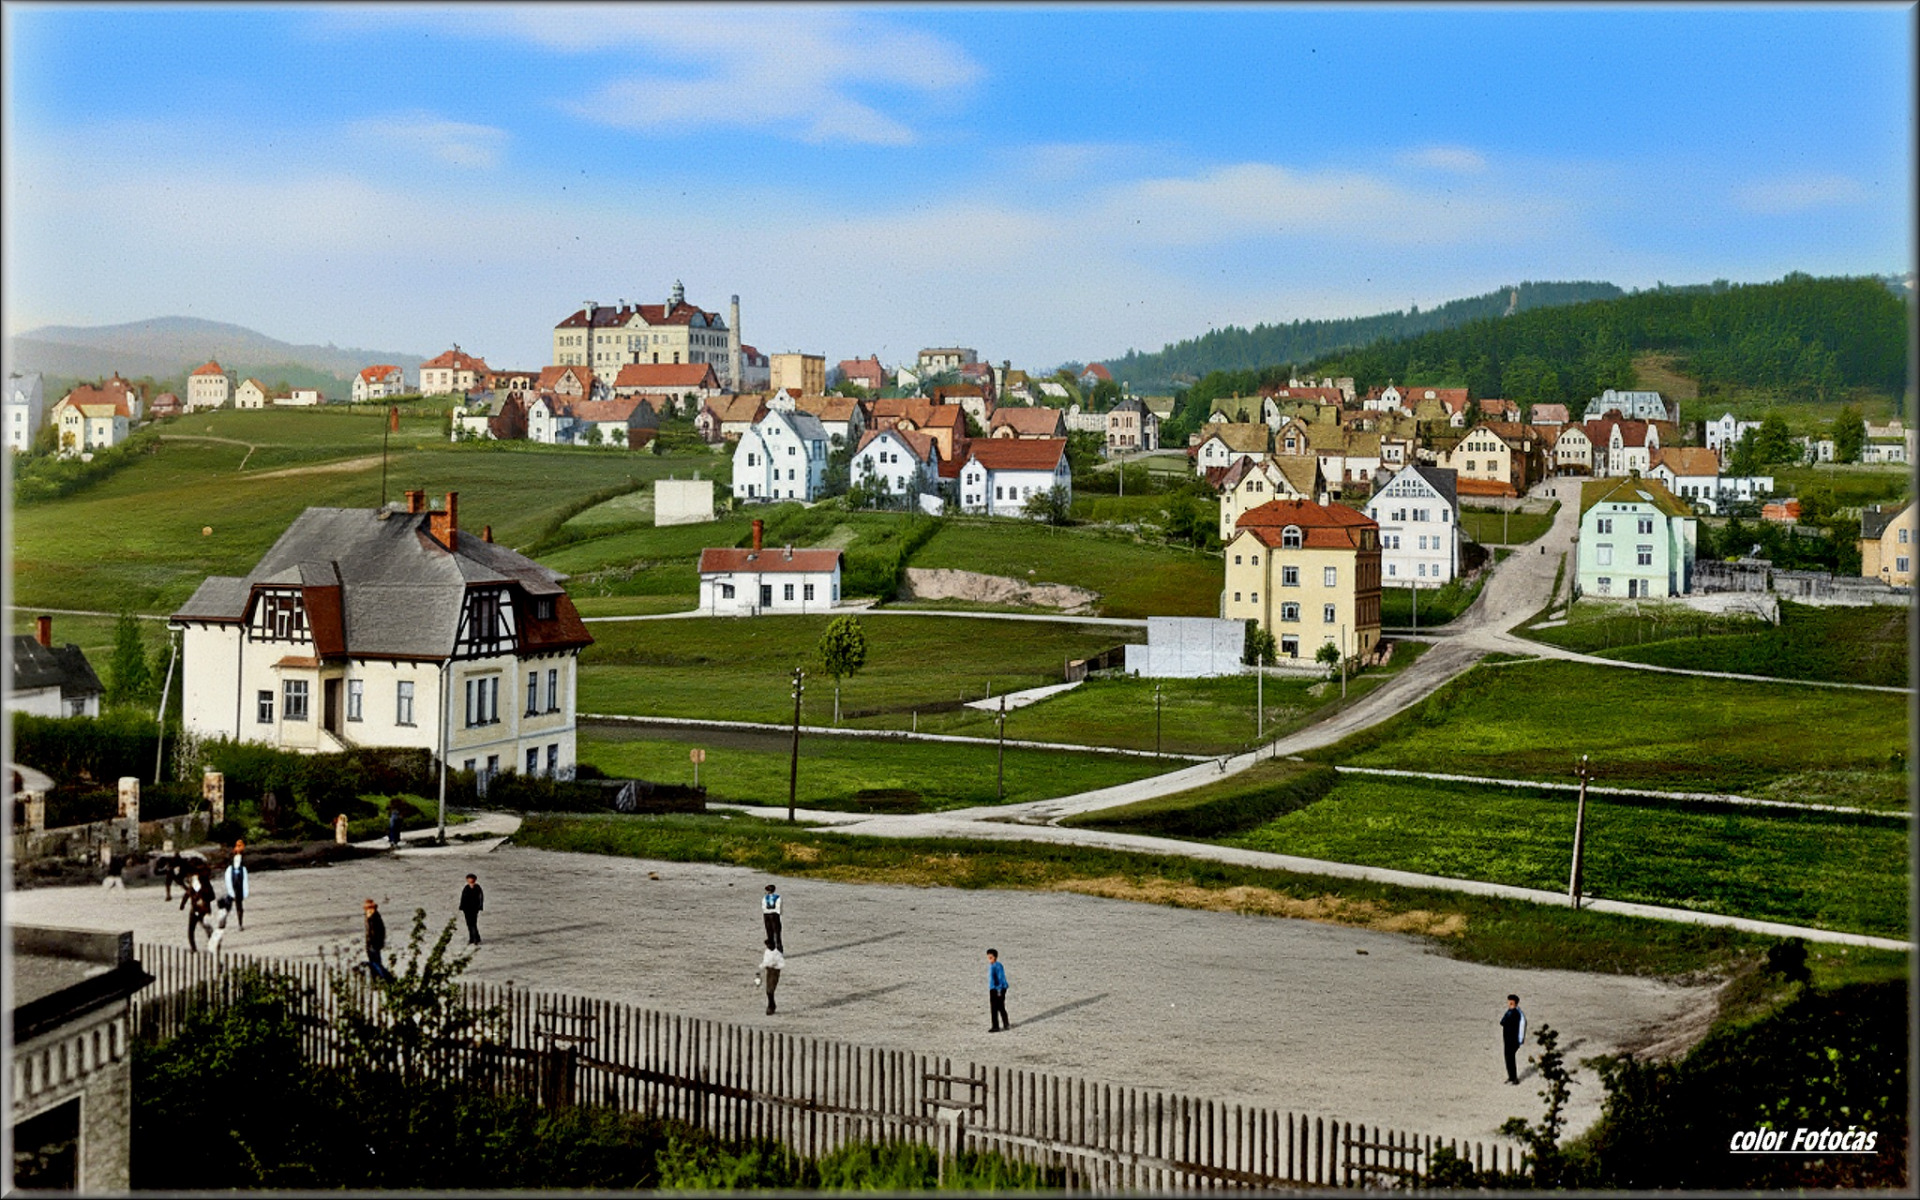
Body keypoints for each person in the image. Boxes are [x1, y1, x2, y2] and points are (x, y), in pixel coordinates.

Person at [364, 899, 394, 981]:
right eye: (367, 909)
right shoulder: (370, 918)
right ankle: (379, 979)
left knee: (376, 963)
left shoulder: (374, 919)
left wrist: (373, 943)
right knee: (375, 963)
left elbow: (377, 932)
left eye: (370, 908)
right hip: (371, 944)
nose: (368, 911)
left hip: (373, 944)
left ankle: (388, 979)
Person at [1501, 994, 1528, 1084]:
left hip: (1513, 1040)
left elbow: (1520, 1027)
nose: (1509, 1003)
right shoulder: (1509, 1011)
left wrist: (1519, 1040)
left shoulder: (1516, 1013)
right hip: (1507, 1039)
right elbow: (1503, 1022)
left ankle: (1514, 1078)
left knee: (1511, 1058)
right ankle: (1511, 1077)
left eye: (1511, 1002)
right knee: (1508, 1058)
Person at [223, 840, 250, 930]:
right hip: (232, 880)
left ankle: (240, 924)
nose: (238, 848)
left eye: (240, 846)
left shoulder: (244, 859)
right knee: (229, 902)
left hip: (239, 882)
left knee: (239, 904)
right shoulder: (232, 857)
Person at [184, 874, 213, 952]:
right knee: (192, 930)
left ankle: (211, 944)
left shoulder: (205, 886)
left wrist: (203, 900)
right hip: (196, 910)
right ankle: (193, 947)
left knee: (202, 929)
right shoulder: (194, 885)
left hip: (201, 910)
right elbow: (187, 894)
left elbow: (211, 896)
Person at [757, 939, 785, 1015]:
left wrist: (775, 965)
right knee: (768, 989)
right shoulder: (767, 952)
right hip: (769, 970)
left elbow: (781, 963)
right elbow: (765, 961)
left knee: (771, 988)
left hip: (775, 971)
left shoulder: (777, 953)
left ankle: (771, 1005)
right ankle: (771, 1004)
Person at [987, 949, 1010, 1032]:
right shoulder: (991, 966)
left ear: (995, 957)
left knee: (1000, 1006)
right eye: (988, 957)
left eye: (991, 957)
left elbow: (1001, 978)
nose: (989, 959)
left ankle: (1005, 1024)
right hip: (993, 988)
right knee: (993, 1008)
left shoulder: (998, 966)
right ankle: (995, 1025)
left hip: (998, 989)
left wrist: (999, 990)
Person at [459, 874, 485, 945]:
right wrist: (462, 906)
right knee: (469, 924)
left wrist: (480, 906)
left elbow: (481, 898)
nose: (470, 880)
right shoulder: (466, 888)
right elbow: (463, 898)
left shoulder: (477, 888)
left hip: (474, 908)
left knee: (473, 923)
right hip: (467, 909)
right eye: (468, 879)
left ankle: (475, 939)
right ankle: (473, 938)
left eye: (471, 879)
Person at [762, 883, 783, 952]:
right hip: (773, 914)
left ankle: (776, 946)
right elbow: (779, 907)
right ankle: (773, 945)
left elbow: (764, 907)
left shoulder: (766, 898)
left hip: (770, 914)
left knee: (773, 930)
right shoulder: (777, 897)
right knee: (772, 930)